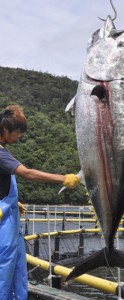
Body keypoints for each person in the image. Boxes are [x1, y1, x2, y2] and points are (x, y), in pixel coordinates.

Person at [0, 105, 80, 300]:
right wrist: (62, 179)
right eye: (17, 132)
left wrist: (9, 203)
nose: (19, 136)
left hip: (8, 219)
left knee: (15, 266)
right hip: (3, 226)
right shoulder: (1, 154)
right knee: (4, 267)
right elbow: (26, 173)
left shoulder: (4, 152)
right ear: (5, 130)